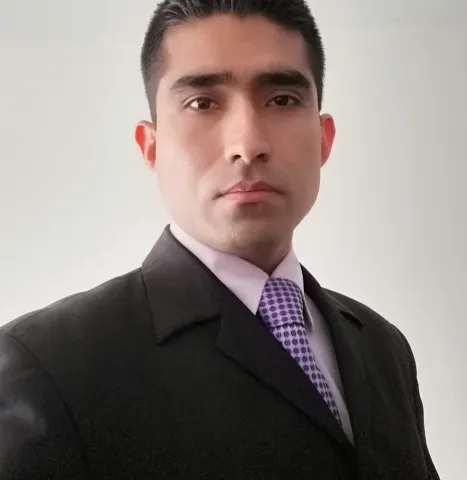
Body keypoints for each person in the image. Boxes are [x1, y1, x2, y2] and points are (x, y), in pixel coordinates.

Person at [0, 1, 440, 479]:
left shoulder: (382, 346)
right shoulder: (50, 364)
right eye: (202, 103)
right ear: (151, 147)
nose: (247, 145)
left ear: (323, 138)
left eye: (282, 100)